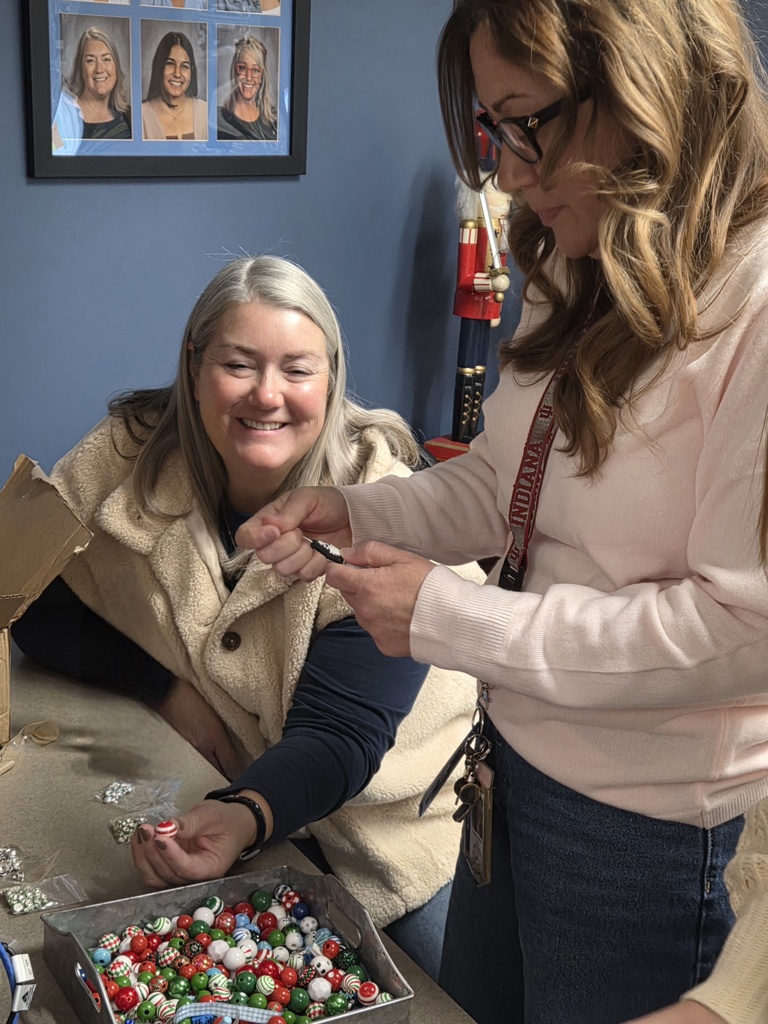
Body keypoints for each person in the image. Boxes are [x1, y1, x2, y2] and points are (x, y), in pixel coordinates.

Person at [239, 1, 768, 1021]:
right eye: (494, 130)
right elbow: (502, 488)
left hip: (642, 835)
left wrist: (453, 619)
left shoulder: (751, 302)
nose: (509, 172)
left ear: (638, 94)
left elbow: (743, 630)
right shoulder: (577, 249)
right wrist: (349, 507)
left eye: (524, 122)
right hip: (508, 775)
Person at [12, 256, 480, 981]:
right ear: (195, 365)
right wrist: (168, 693)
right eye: (239, 364)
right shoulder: (130, 450)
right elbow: (26, 591)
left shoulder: (385, 505)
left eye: (298, 369)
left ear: (331, 377)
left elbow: (341, 735)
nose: (268, 396)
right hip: (238, 792)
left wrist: (243, 814)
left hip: (392, 837)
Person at [52, 26, 131, 150]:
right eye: (90, 61)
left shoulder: (128, 118)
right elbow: (55, 159)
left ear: (116, 66)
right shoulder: (60, 114)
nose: (99, 69)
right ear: (81, 69)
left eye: (106, 59)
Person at [141, 31, 207, 141]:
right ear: (159, 67)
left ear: (192, 71)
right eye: (170, 64)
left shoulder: (205, 112)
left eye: (184, 66)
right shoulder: (141, 115)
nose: (177, 73)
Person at [217, 35, 277, 142]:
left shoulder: (274, 118)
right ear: (235, 71)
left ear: (262, 76)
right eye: (243, 68)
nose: (248, 77)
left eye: (255, 70)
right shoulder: (219, 119)